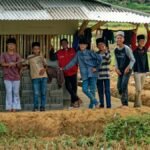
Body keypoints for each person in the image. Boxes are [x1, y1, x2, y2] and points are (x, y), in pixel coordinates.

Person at [63, 38, 102, 109]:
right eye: (81, 44)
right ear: (79, 45)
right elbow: (73, 62)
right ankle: (96, 102)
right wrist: (64, 68)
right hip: (85, 75)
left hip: (93, 74)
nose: (82, 46)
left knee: (92, 90)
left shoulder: (90, 52)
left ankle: (91, 106)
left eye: (84, 44)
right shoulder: (78, 53)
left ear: (86, 45)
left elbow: (100, 59)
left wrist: (96, 68)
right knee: (84, 89)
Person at [49, 38, 81, 108]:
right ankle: (77, 99)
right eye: (62, 43)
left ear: (67, 43)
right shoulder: (59, 52)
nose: (64, 44)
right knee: (68, 87)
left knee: (74, 88)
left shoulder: (73, 50)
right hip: (65, 73)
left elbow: (80, 52)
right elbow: (52, 58)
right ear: (61, 45)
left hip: (73, 72)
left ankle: (73, 103)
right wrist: (52, 49)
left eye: (65, 43)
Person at [114, 31, 135, 108]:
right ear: (116, 39)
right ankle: (123, 101)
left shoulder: (127, 49)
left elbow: (133, 59)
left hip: (127, 70)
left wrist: (128, 67)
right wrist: (116, 68)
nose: (119, 39)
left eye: (120, 38)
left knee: (123, 85)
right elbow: (116, 60)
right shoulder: (116, 50)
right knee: (119, 86)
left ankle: (125, 104)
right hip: (120, 70)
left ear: (123, 39)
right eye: (117, 38)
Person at [1, 38, 22, 112]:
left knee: (16, 92)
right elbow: (2, 63)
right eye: (9, 44)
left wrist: (18, 63)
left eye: (13, 45)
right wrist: (9, 64)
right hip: (7, 76)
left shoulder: (17, 55)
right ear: (7, 45)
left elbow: (19, 66)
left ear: (15, 46)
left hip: (16, 77)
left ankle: (15, 107)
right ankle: (9, 107)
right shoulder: (3, 54)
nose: (11, 46)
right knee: (9, 91)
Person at [131, 24, 150, 107]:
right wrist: (136, 30)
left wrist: (147, 28)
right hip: (137, 72)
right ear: (138, 42)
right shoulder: (135, 49)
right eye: (141, 41)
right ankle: (139, 104)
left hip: (144, 72)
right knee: (138, 89)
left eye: (143, 41)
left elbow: (149, 39)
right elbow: (132, 41)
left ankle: (136, 103)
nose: (142, 42)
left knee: (140, 89)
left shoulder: (145, 48)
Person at [27, 42, 48, 111]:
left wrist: (44, 69)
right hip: (35, 77)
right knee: (36, 93)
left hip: (44, 77)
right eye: (35, 49)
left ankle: (42, 107)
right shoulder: (29, 57)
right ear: (32, 50)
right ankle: (35, 107)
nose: (36, 50)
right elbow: (25, 64)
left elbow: (46, 66)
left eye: (37, 49)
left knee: (43, 93)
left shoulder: (42, 56)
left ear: (39, 49)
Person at [96, 38, 111, 108]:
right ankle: (102, 104)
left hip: (106, 75)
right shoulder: (96, 54)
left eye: (102, 44)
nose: (101, 46)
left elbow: (109, 61)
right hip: (98, 76)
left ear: (105, 45)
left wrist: (105, 52)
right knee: (100, 91)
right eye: (99, 45)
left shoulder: (108, 53)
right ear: (97, 46)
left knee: (107, 91)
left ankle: (108, 105)